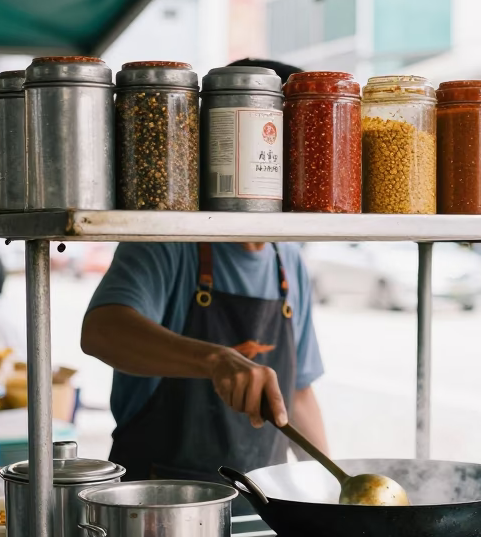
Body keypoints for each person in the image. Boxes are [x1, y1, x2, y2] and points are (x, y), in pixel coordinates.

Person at [81, 57, 326, 486]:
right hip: (159, 505)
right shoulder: (170, 240)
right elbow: (101, 331)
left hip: (261, 506)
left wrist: (336, 491)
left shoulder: (288, 259)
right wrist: (214, 360)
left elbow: (299, 394)